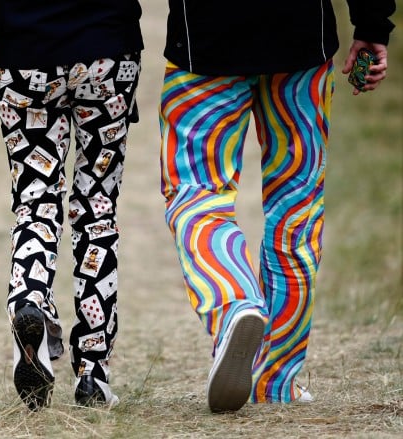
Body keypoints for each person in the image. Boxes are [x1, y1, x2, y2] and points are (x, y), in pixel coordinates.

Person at [158, 0, 395, 413]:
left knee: (197, 196)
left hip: (204, 47)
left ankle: (234, 302)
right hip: (302, 44)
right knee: (296, 211)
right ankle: (278, 379)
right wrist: (372, 22)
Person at [0, 1, 144, 410]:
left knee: (35, 199)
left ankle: (31, 301)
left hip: (25, 50)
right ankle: (93, 373)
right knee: (97, 208)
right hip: (108, 50)